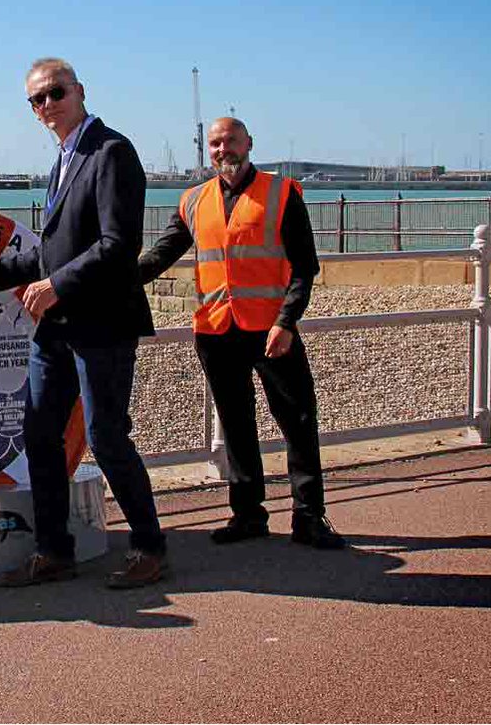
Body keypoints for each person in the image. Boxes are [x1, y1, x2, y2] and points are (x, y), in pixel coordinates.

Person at [0, 59, 167, 588]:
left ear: (80, 91)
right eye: (36, 100)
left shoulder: (113, 152)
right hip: (56, 328)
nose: (47, 106)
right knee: (40, 435)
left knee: (106, 438)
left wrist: (57, 287)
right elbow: (54, 249)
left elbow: (118, 247)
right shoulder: (64, 159)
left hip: (102, 323)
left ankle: (149, 547)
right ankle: (53, 550)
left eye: (55, 93)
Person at [138, 117, 345, 550]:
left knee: (298, 421)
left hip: (272, 331)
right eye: (215, 143)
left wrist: (286, 322)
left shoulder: (281, 193)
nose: (222, 149)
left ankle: (309, 517)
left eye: (230, 140)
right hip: (216, 330)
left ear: (249, 143)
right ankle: (248, 515)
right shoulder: (193, 200)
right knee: (235, 425)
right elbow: (161, 255)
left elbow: (305, 268)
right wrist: (110, 278)